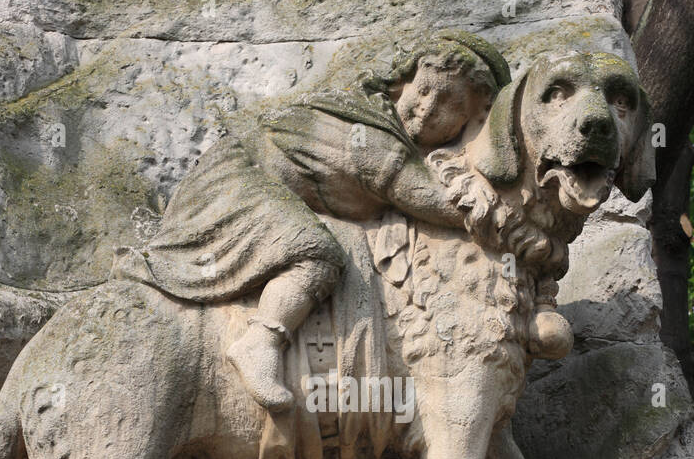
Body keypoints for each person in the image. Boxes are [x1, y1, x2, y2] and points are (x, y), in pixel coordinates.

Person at [142, 31, 510, 412]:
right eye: (424, 89)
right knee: (316, 252)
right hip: (233, 185)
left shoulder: (397, 142)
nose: (428, 107)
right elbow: (424, 197)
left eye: (450, 103)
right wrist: (511, 223)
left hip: (256, 191)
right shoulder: (368, 127)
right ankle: (260, 342)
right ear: (403, 82)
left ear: (470, 121)